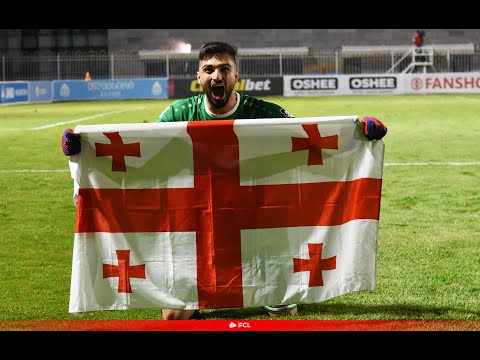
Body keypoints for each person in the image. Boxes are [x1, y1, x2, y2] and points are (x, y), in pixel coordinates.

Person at [61, 41, 388, 320]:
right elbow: (141, 157)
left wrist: (361, 133)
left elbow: (311, 139)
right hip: (198, 216)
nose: (217, 75)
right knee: (173, 317)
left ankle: (268, 282)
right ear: (199, 76)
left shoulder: (264, 112)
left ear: (236, 76)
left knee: (284, 312)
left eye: (224, 69)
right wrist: (86, 151)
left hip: (255, 216)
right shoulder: (178, 114)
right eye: (210, 69)